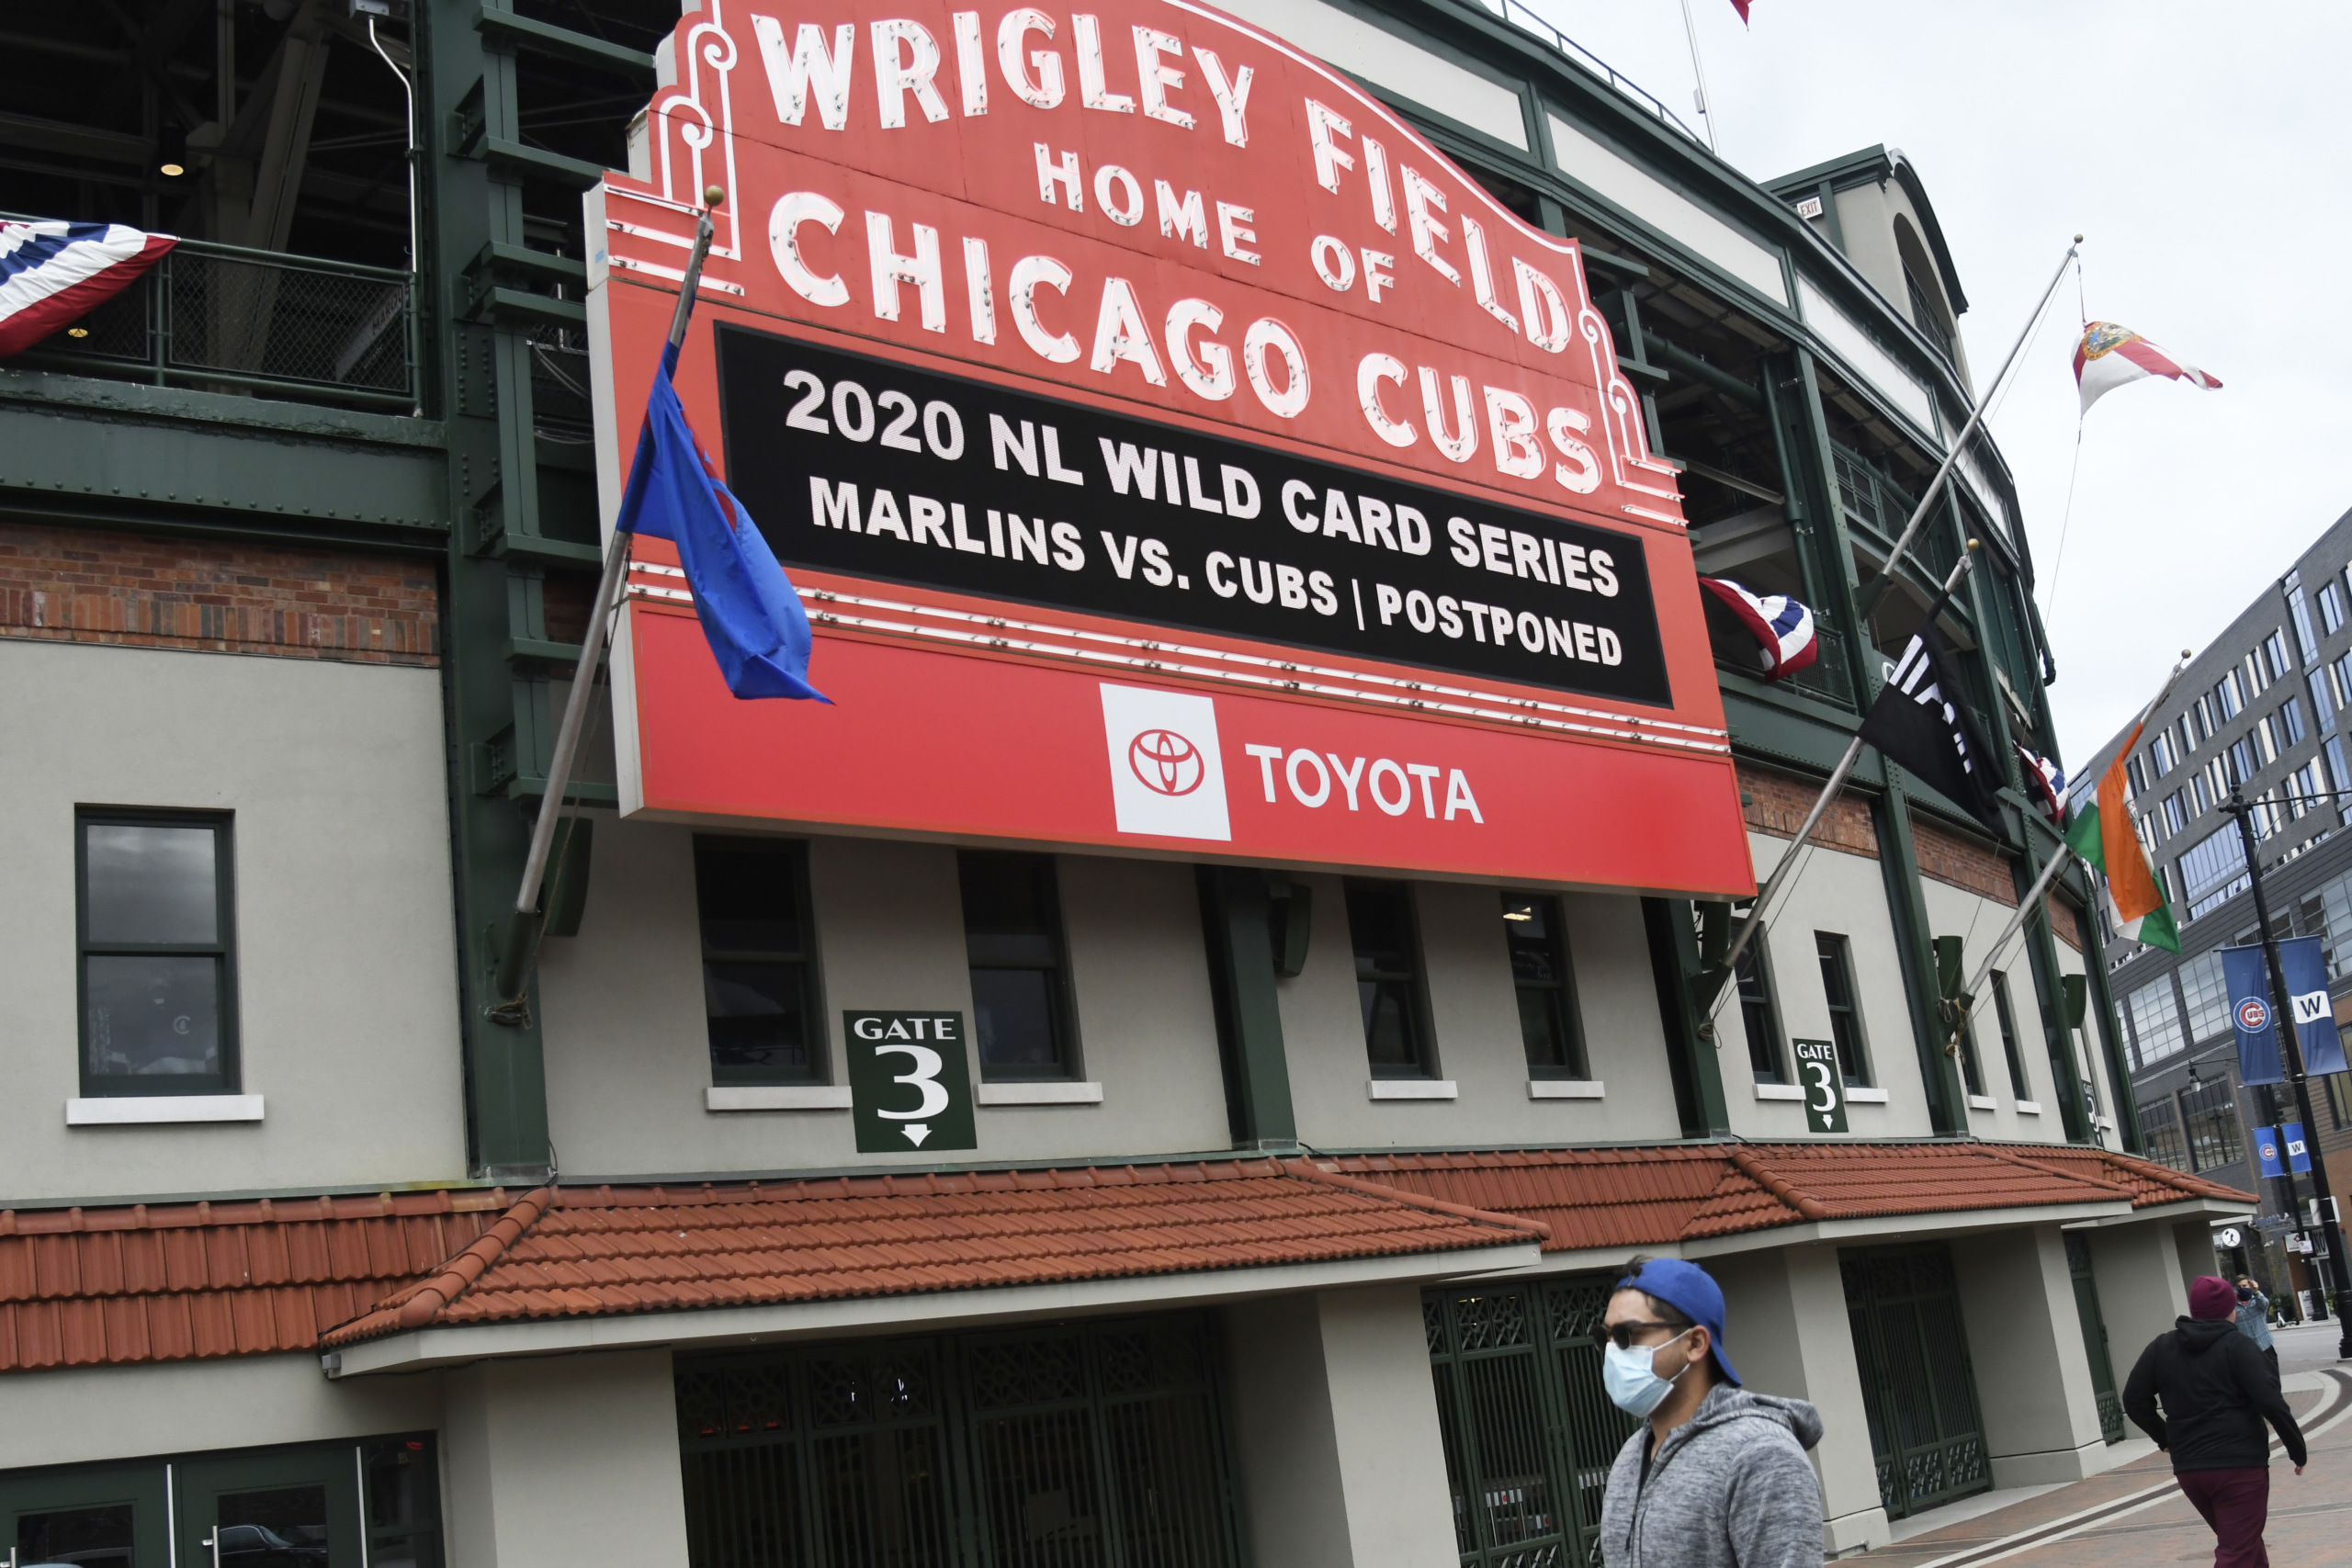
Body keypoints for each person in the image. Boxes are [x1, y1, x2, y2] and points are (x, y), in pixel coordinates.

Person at [1598, 1256, 1824, 1568]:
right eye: (1605, 1337)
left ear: (1695, 1343)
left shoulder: (1762, 1456)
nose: (1612, 1351)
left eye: (1627, 1335)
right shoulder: (1629, 1457)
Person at [2123, 1275, 2306, 1568]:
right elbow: (2270, 1400)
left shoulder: (2162, 1347)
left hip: (2191, 1469)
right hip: (2239, 1466)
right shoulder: (2239, 1346)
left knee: (2244, 1544)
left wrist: (2166, 1437)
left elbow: (2133, 1400)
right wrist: (2297, 1449)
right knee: (2237, 1552)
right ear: (2229, 1308)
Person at [2235, 1275, 2279, 1382]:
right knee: (2257, 1382)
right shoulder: (2235, 1307)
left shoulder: (2257, 1302)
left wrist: (2256, 1291)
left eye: (2244, 1286)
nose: (2242, 1289)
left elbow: (2265, 1303)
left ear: (2250, 1285)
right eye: (2239, 1287)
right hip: (2249, 1351)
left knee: (2274, 1380)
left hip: (2266, 1347)